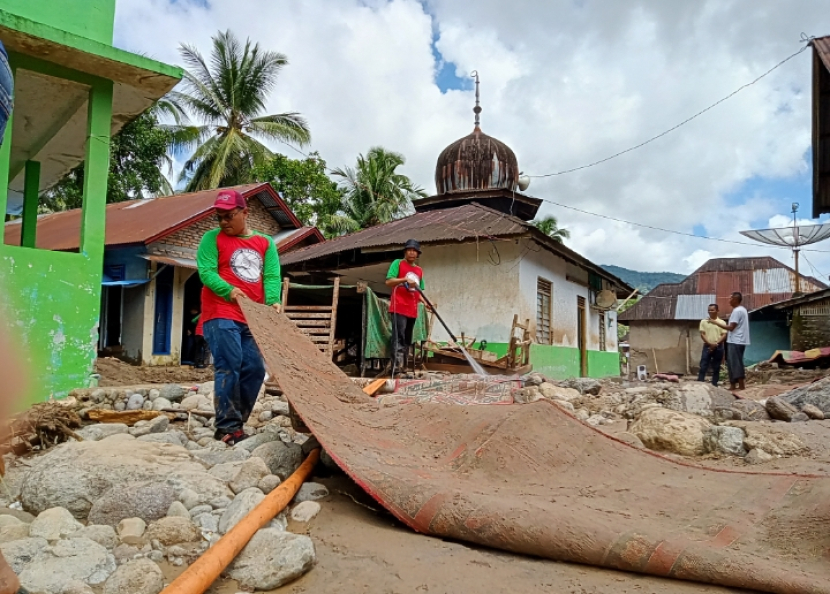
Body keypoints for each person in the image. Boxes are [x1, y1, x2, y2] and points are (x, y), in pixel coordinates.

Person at [197, 189, 281, 445]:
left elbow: (271, 276)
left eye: (229, 216)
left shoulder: (265, 243)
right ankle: (227, 427)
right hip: (220, 312)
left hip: (251, 316)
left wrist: (273, 301)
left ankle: (236, 421)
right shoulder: (211, 239)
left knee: (255, 369)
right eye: (219, 217)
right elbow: (206, 272)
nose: (223, 222)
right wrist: (229, 290)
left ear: (245, 212)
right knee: (229, 365)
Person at [385, 239, 427, 374]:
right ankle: (396, 369)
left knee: (408, 339)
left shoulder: (419, 271)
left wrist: (426, 302)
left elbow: (418, 291)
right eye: (409, 250)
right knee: (399, 337)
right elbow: (389, 281)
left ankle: (403, 368)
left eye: (414, 251)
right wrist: (404, 279)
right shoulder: (398, 263)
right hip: (399, 307)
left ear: (418, 254)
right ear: (405, 251)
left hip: (412, 310)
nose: (412, 253)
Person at [708, 292, 750, 391]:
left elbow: (731, 327)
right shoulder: (741, 310)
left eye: (730, 298)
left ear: (735, 299)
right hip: (737, 340)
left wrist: (716, 322)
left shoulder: (737, 311)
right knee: (731, 363)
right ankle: (733, 385)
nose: (729, 300)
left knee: (735, 363)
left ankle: (741, 385)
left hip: (736, 340)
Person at [697, 303, 727, 386]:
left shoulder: (722, 322)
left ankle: (714, 384)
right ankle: (700, 383)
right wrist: (710, 344)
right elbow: (702, 334)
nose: (710, 311)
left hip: (718, 347)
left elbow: (724, 335)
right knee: (703, 365)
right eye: (709, 310)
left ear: (717, 311)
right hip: (707, 346)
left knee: (716, 366)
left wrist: (716, 344)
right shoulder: (704, 322)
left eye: (712, 310)